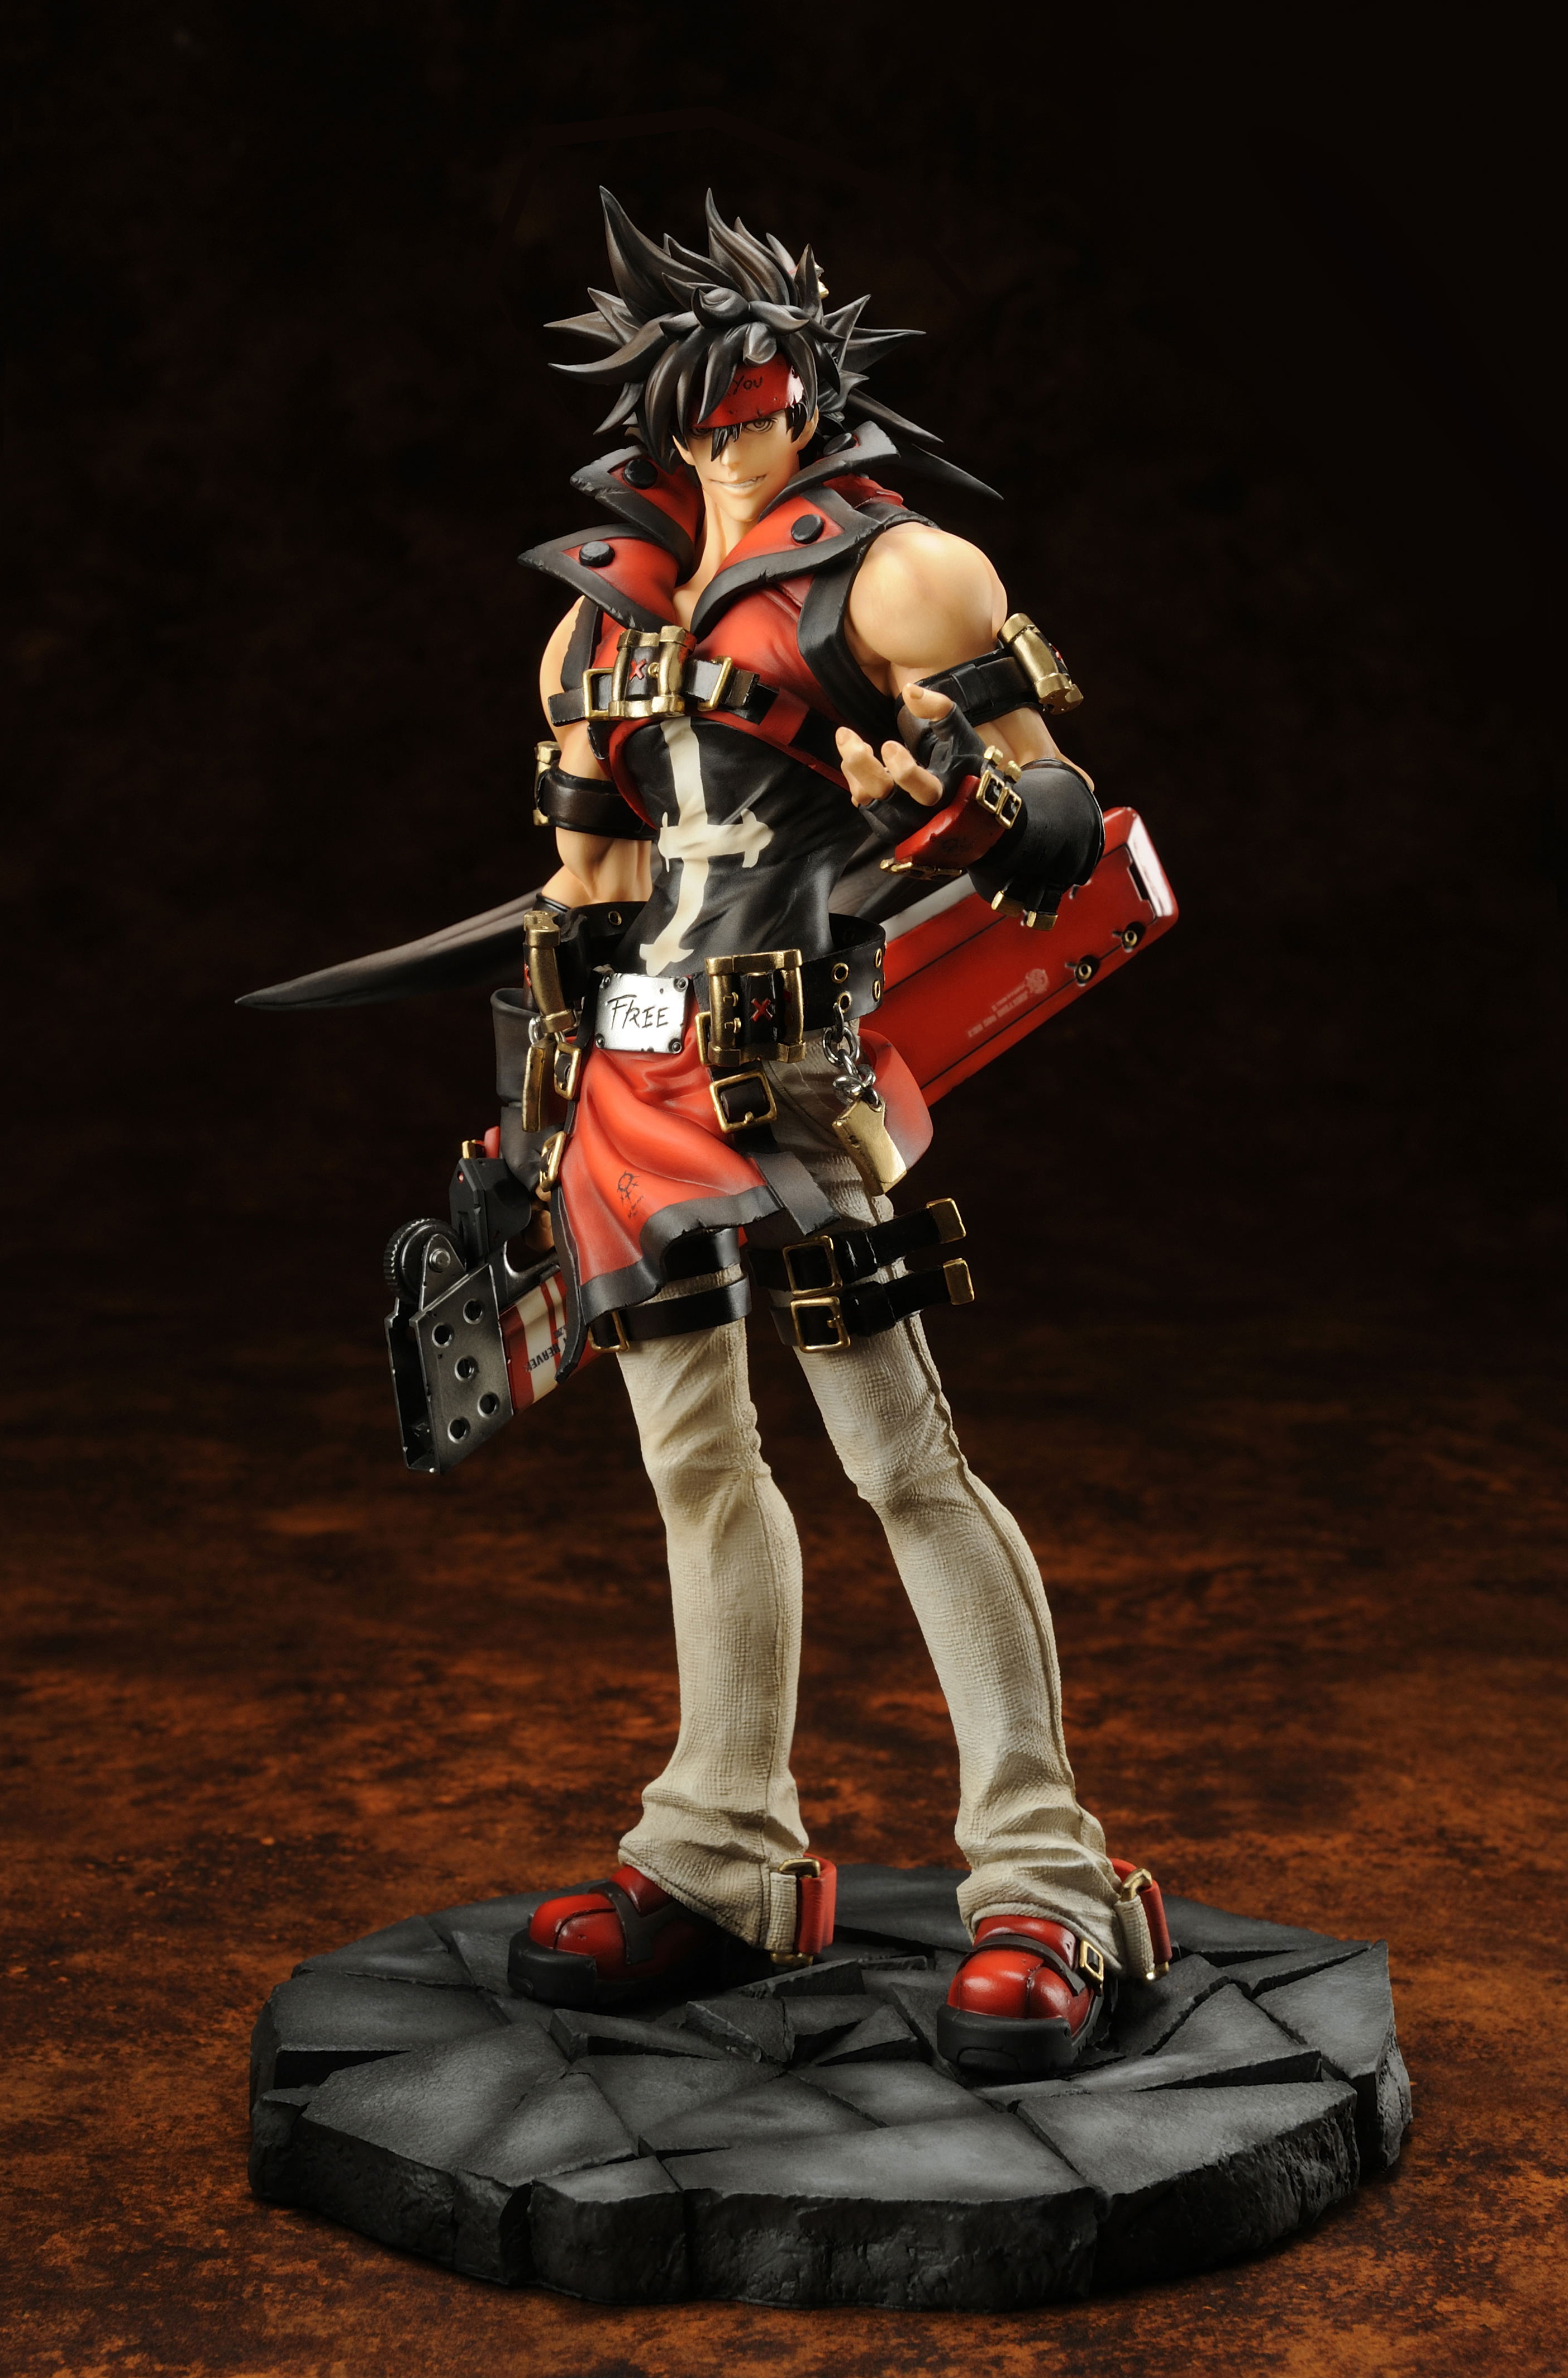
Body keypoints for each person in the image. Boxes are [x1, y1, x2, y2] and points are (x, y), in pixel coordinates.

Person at [499, 191, 1169, 2078]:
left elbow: (1054, 794)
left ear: (814, 390)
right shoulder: (596, 625)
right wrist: (545, 1118)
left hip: (794, 1074)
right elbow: (590, 895)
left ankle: (1046, 1880)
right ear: (656, 416)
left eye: (765, 397)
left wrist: (970, 795)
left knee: (901, 1458)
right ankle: (720, 1855)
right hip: (637, 1085)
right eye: (704, 409)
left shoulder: (899, 581)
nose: (738, 435)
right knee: (693, 1463)